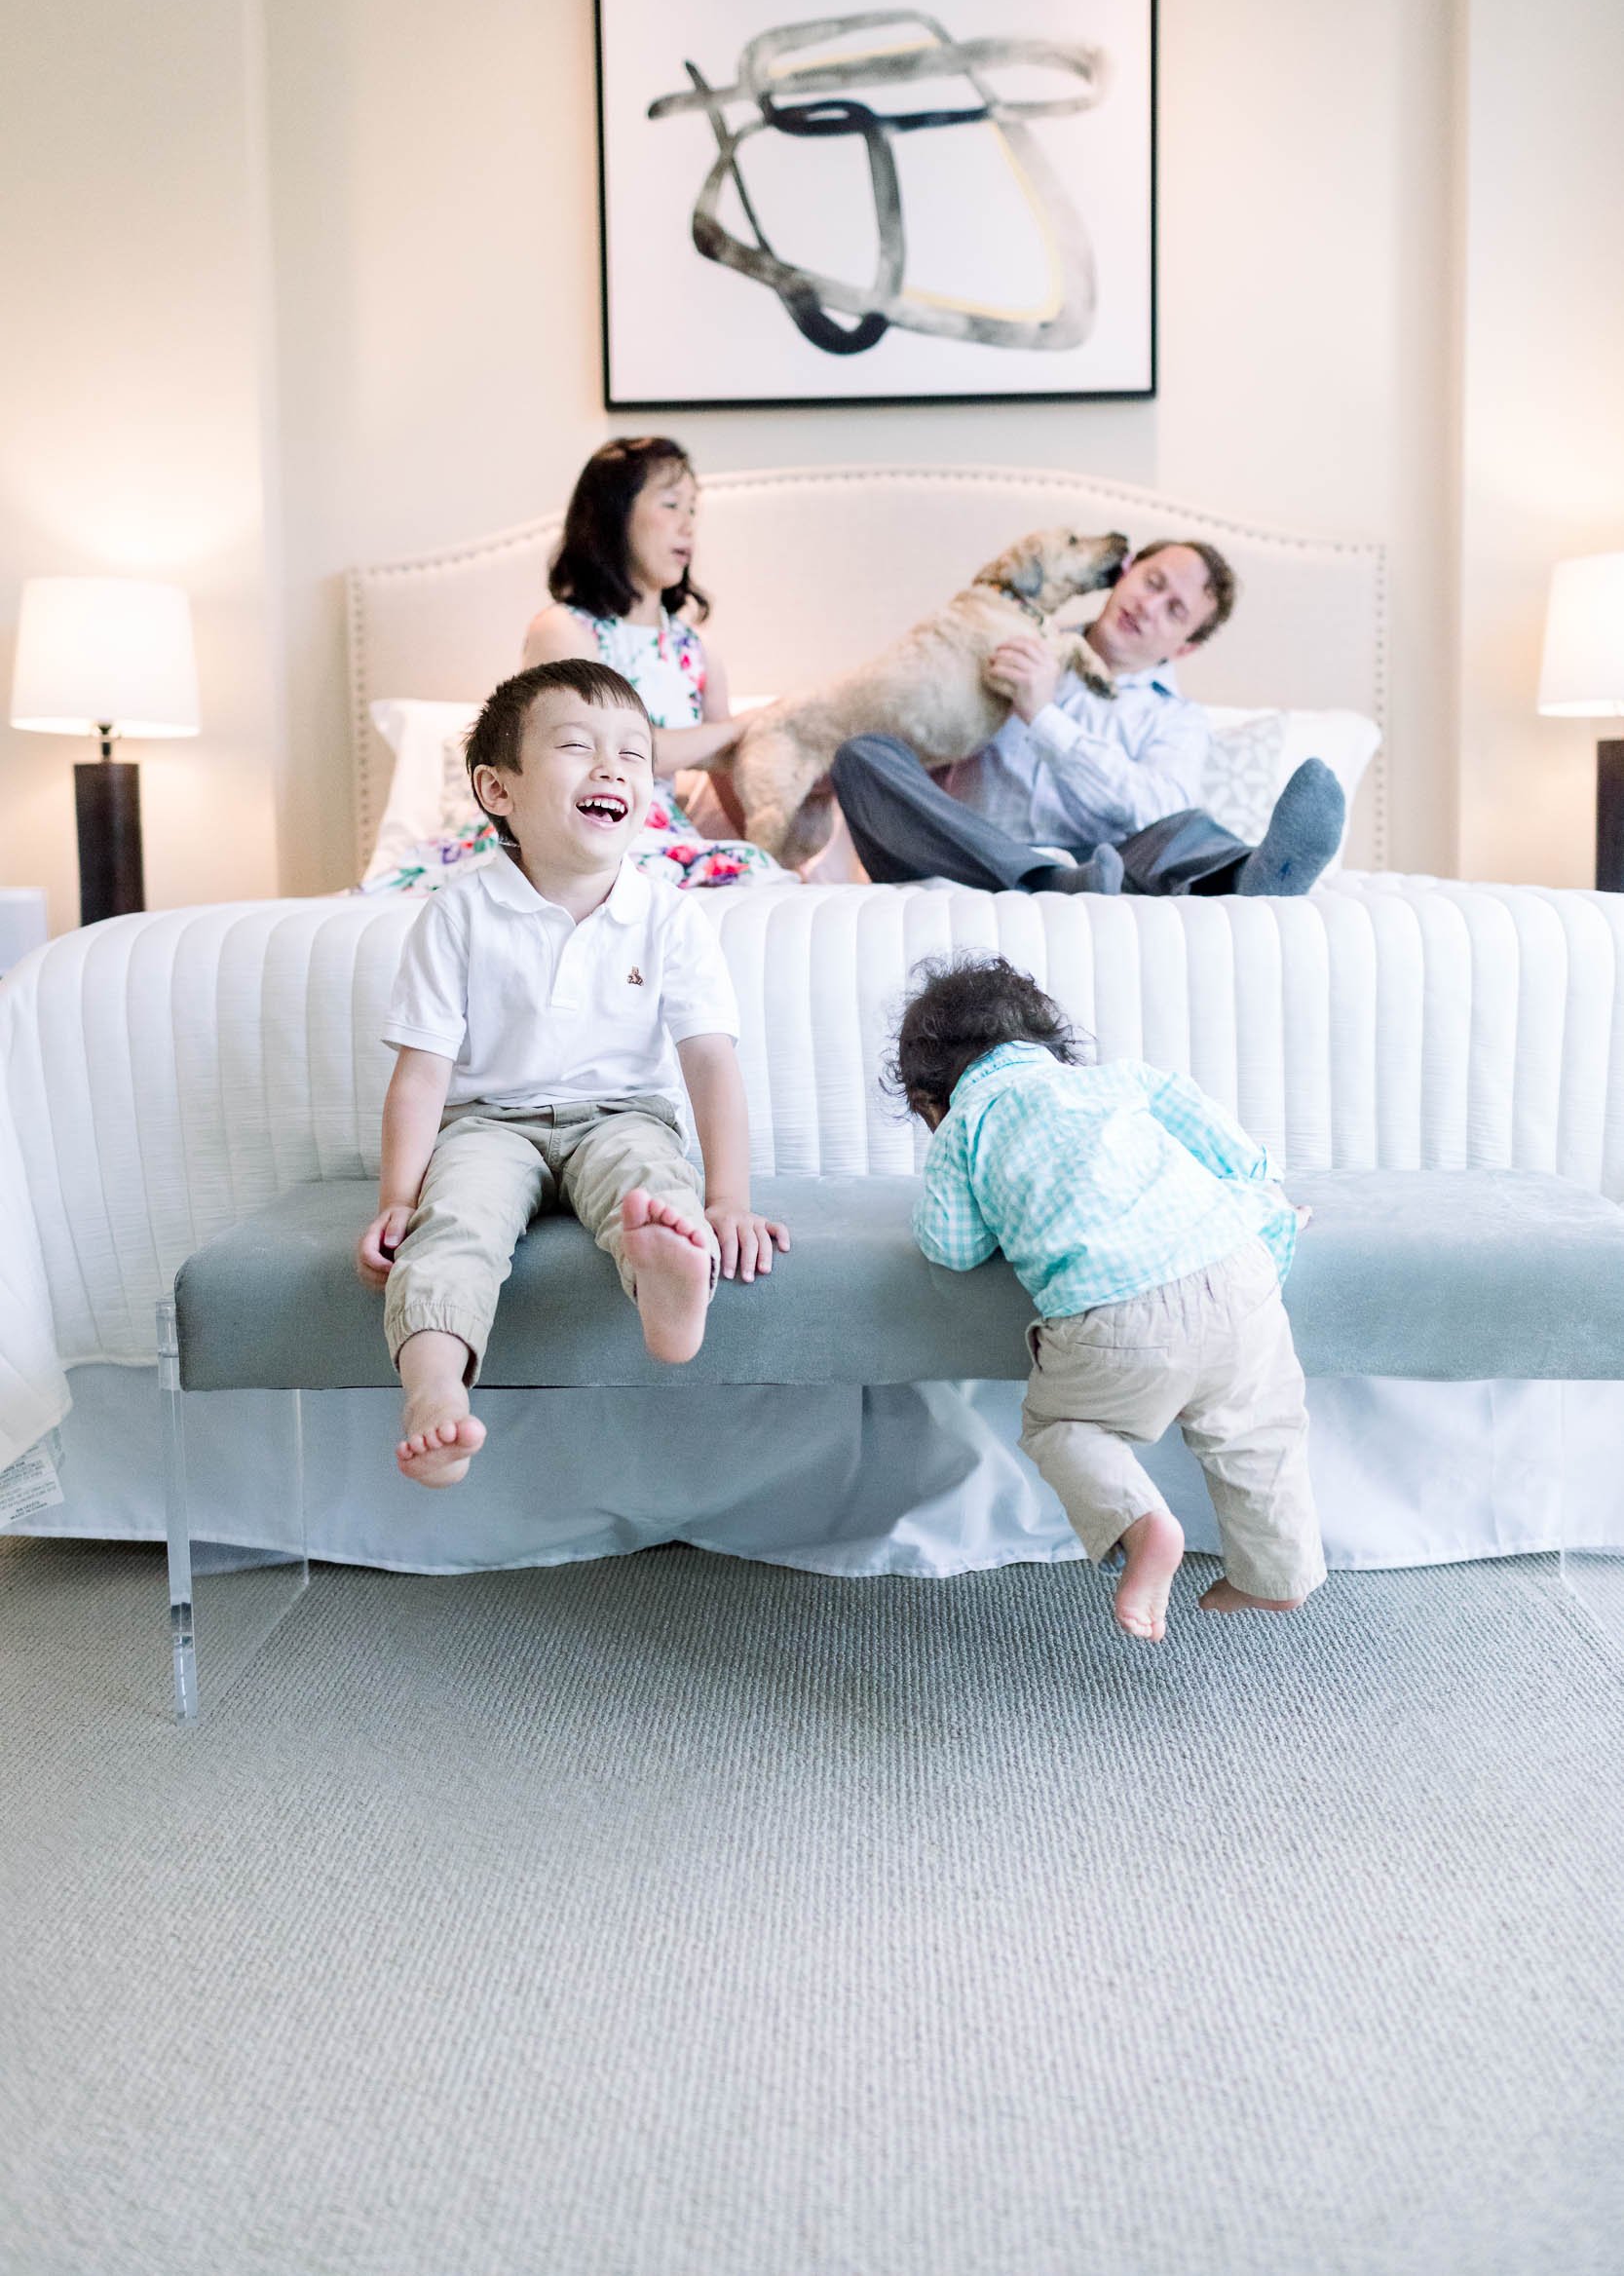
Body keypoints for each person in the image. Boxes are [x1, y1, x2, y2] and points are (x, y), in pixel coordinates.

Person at [355, 656, 789, 1488]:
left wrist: (727, 1197)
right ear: (497, 790)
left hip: (620, 1113)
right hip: (488, 1125)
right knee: (455, 1226)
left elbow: (709, 1062)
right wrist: (397, 1201)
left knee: (650, 1181)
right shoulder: (458, 913)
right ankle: (435, 1389)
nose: (611, 768)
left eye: (633, 754)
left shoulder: (667, 915)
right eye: (576, 746)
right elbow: (421, 1076)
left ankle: (667, 1280)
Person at [890, 952, 1325, 1642]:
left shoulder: (966, 1126)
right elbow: (1236, 1154)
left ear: (926, 1100)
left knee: (1062, 1428)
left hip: (1118, 1315)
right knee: (1259, 1430)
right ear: (1050, 1044)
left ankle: (1142, 1524)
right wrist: (1257, 1190)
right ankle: (1276, 1576)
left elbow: (952, 1246)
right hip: (1238, 1269)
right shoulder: (1122, 1083)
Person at [831, 539, 1347, 898]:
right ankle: (1046, 881)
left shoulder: (1178, 719)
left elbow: (1156, 809)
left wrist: (1045, 718)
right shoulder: (1013, 642)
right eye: (1152, 582)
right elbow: (909, 711)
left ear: (1185, 647)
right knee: (861, 756)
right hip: (962, 851)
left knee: (1186, 828)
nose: (1147, 607)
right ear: (1124, 575)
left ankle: (1256, 878)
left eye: (1174, 609)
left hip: (1104, 865)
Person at [523, 436, 777, 889]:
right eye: (671, 505)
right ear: (614, 515)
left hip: (661, 835)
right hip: (579, 828)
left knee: (759, 874)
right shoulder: (564, 631)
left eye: (693, 511)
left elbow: (725, 765)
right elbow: (613, 751)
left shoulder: (696, 649)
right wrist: (739, 725)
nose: (688, 526)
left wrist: (771, 846)